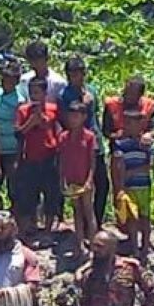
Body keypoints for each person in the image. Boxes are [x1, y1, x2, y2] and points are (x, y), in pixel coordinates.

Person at [13, 74, 62, 237]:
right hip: (30, 158)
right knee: (28, 196)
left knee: (51, 195)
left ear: (44, 93)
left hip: (49, 157)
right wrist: (31, 122)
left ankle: (48, 231)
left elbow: (58, 131)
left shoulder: (53, 109)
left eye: (37, 93)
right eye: (31, 93)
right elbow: (18, 133)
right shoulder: (22, 110)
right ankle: (29, 229)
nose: (34, 96)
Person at [59, 55, 106, 224]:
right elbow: (66, 120)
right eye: (72, 74)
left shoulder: (91, 90)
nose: (76, 77)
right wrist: (83, 104)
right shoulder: (64, 95)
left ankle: (97, 222)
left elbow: (96, 115)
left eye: (79, 73)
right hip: (78, 146)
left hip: (95, 140)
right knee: (80, 188)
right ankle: (83, 225)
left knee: (102, 183)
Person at [109, 109, 154, 262]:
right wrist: (120, 187)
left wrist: (131, 172)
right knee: (132, 219)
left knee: (145, 218)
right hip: (129, 187)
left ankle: (145, 247)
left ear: (140, 124)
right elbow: (118, 166)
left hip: (143, 186)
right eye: (126, 122)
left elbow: (149, 166)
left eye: (131, 123)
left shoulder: (146, 145)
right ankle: (135, 248)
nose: (128, 126)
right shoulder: (121, 144)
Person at [58, 102, 98, 263]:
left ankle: (95, 245)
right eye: (70, 116)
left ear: (83, 117)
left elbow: (92, 161)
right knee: (77, 212)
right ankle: (79, 244)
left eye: (76, 116)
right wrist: (62, 179)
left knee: (88, 211)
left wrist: (89, 180)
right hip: (71, 178)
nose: (73, 119)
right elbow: (61, 159)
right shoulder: (63, 136)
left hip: (84, 179)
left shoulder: (89, 136)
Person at [0, 62, 26, 207]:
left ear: (16, 82)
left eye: (10, 81)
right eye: (3, 80)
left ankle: (16, 218)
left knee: (14, 188)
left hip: (13, 149)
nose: (6, 84)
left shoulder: (20, 101)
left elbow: (21, 130)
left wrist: (18, 156)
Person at [19, 40, 66, 104]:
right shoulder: (24, 80)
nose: (35, 63)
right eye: (32, 59)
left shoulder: (58, 82)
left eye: (38, 59)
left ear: (46, 58)